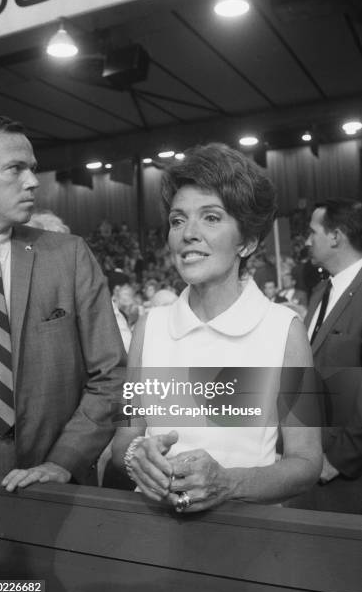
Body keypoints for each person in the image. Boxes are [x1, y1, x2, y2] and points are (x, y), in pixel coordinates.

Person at [112, 143, 322, 513]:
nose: (188, 233)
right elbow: (124, 436)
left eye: (210, 217)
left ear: (248, 241)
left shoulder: (284, 330)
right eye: (178, 220)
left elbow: (306, 463)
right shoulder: (149, 327)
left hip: (247, 538)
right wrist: (135, 458)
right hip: (151, 532)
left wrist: (229, 482)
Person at [0, 115, 125, 491]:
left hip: (51, 468)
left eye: (33, 168)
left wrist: (64, 461)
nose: (33, 181)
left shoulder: (67, 256)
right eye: (15, 168)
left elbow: (111, 375)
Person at [291, 199, 362, 513]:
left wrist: (340, 457)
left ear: (335, 236)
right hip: (310, 458)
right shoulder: (322, 290)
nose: (307, 241)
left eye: (313, 232)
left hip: (345, 471)